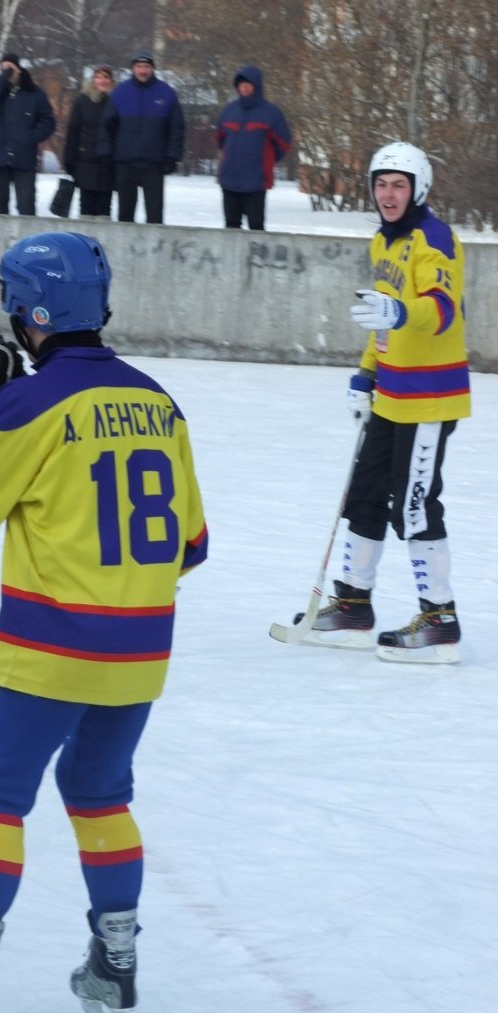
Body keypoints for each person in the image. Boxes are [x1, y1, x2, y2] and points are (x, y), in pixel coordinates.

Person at [0, 231, 208, 1013]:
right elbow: (192, 545)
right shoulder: (158, 402)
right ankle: (116, 962)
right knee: (98, 790)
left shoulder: (31, 400)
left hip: (50, 650)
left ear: (27, 310)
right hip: (140, 655)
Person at [295, 142, 469, 664]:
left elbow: (439, 309)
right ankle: (352, 606)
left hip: (429, 398)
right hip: (391, 394)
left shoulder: (434, 239)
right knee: (364, 494)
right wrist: (366, 372)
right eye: (381, 184)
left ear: (419, 189)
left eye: (399, 184)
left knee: (413, 505)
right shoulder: (383, 244)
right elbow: (382, 317)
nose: (388, 194)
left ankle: (440, 620)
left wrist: (399, 310)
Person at [99, 48, 184, 224]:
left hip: (154, 163)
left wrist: (172, 156)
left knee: (154, 216)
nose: (143, 70)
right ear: (133, 68)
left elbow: (177, 128)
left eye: (146, 66)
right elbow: (106, 126)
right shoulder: (121, 92)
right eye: (139, 66)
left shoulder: (166, 92)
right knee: (125, 215)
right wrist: (106, 153)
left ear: (152, 68)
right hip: (125, 162)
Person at [0, 52, 56, 216]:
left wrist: (31, 137)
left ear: (19, 69)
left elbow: (48, 121)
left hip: (24, 157)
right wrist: (1, 80)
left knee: (26, 205)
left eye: (10, 68)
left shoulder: (34, 93)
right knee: (0, 204)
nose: (7, 71)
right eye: (3, 68)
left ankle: (28, 241)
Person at [215, 64, 291, 230]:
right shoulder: (229, 110)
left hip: (255, 183)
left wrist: (267, 161)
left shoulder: (271, 113)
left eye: (248, 84)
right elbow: (220, 139)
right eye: (241, 84)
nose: (244, 88)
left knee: (256, 229)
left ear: (257, 86)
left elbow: (283, 143)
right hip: (229, 181)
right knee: (231, 228)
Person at [63, 63, 116, 218]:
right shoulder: (82, 101)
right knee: (86, 206)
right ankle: (85, 240)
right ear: (93, 80)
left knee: (104, 208)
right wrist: (69, 160)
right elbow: (73, 131)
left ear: (111, 81)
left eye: (105, 77)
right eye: (98, 77)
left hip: (108, 163)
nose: (102, 80)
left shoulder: (117, 102)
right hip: (85, 161)